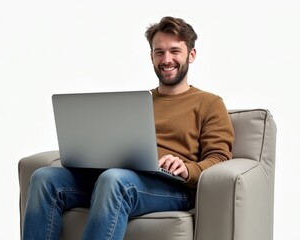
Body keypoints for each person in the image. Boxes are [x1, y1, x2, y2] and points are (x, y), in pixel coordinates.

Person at [22, 16, 234, 240]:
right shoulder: (137, 102)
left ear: (191, 55)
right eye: (159, 52)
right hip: (117, 178)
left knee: (114, 180)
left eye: (175, 51)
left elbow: (219, 158)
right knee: (44, 178)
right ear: (151, 57)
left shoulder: (210, 103)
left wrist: (186, 169)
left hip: (171, 187)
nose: (166, 59)